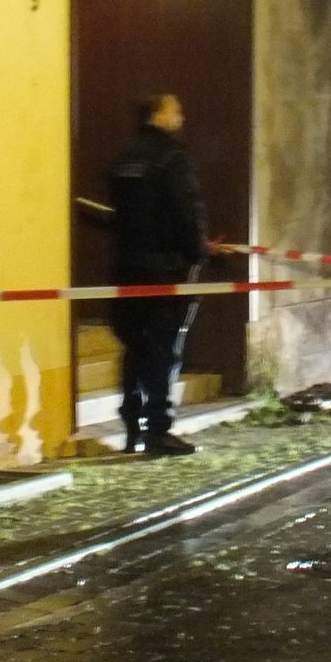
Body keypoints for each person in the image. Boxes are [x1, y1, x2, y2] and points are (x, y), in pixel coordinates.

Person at [105, 94, 208, 457]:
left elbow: (119, 214)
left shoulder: (124, 157)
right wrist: (198, 252)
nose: (181, 117)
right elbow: (186, 210)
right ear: (159, 114)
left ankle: (132, 424)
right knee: (164, 348)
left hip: (127, 267)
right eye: (175, 110)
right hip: (166, 269)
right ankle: (159, 429)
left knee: (135, 346)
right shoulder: (172, 157)